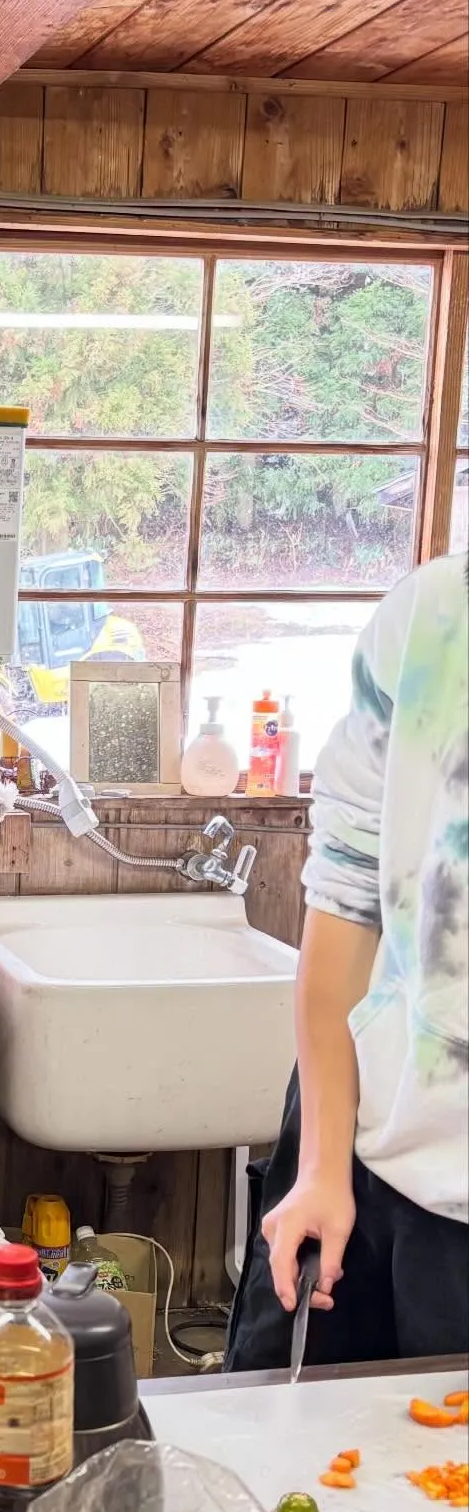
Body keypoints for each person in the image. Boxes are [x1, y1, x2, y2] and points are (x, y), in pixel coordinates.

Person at [226, 553, 468, 1369]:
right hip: (359, 1143)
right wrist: (322, 1168)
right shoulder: (433, 613)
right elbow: (346, 896)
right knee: (285, 1457)